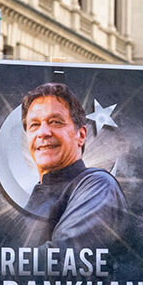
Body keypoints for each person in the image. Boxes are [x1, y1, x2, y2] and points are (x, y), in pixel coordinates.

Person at [19, 82, 125, 248]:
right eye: (34, 125)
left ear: (81, 135)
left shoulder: (98, 185)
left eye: (55, 122)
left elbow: (64, 254)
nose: (43, 133)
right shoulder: (37, 195)